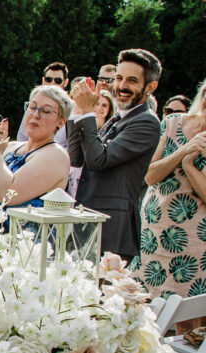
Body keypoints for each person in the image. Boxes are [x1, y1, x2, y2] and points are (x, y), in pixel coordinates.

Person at [68, 48, 163, 262]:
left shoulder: (146, 122)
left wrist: (88, 113)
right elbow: (77, 159)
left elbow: (98, 160)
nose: (121, 86)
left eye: (132, 80)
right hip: (85, 219)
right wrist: (79, 112)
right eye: (119, 78)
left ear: (150, 87)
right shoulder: (118, 118)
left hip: (111, 228)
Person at [134, 77, 206, 301]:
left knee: (188, 310)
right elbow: (150, 175)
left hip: (195, 241)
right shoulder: (173, 122)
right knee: (144, 302)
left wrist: (188, 166)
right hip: (153, 232)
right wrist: (184, 150)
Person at [0, 85, 71, 207]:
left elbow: (7, 195)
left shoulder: (56, 156)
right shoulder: (11, 147)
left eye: (46, 111)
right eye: (32, 107)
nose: (36, 115)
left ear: (61, 122)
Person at [19, 62, 69, 148]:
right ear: (43, 81)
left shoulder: (71, 110)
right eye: (49, 79)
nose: (52, 83)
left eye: (58, 81)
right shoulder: (32, 106)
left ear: (65, 82)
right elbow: (22, 138)